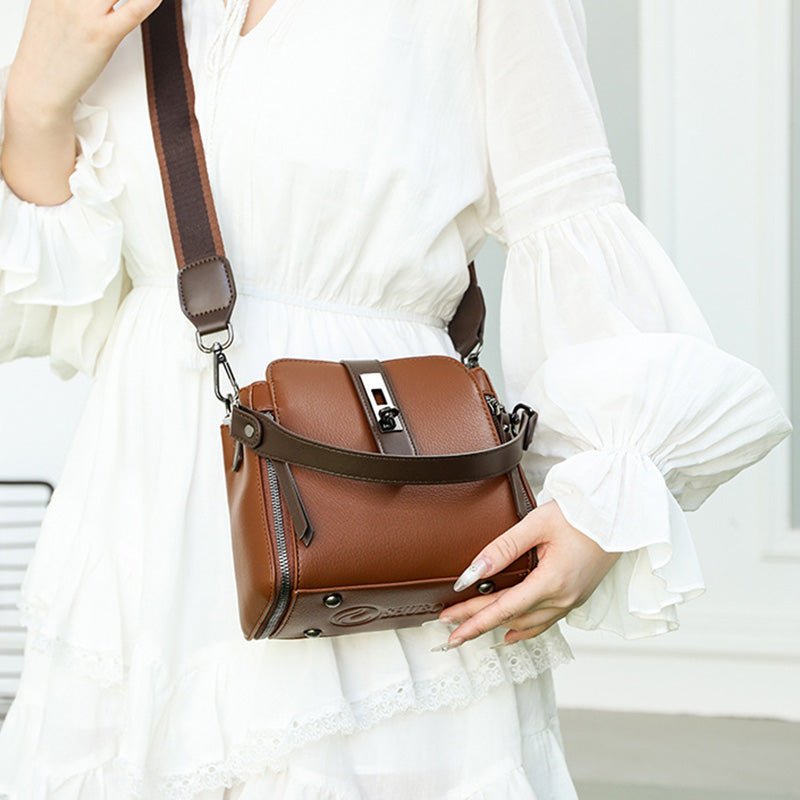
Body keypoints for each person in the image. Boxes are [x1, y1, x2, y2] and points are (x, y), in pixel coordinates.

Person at [0, 0, 792, 797]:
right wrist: (33, 97)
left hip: (377, 501)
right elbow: (69, 300)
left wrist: (607, 488)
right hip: (142, 522)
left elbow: (568, 213)